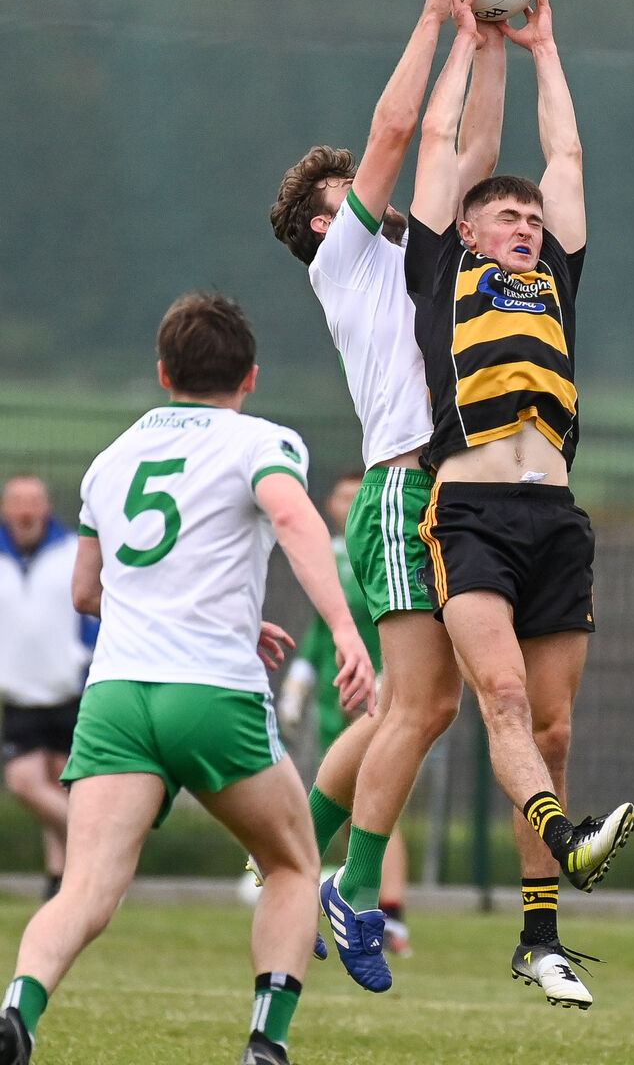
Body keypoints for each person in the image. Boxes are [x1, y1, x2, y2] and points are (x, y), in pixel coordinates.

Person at [0, 292, 376, 1065]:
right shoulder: (260, 440)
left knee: (85, 889)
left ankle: (18, 1013)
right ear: (251, 377)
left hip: (115, 699)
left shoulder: (112, 458)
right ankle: (266, 1044)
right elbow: (296, 519)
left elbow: (85, 593)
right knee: (294, 862)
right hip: (209, 692)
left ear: (163, 371)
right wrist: (343, 629)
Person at [269, 0, 506, 997]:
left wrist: (488, 44)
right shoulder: (343, 258)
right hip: (405, 487)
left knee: (418, 711)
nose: (370, 191)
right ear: (324, 223)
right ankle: (351, 892)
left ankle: (295, 858)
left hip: (446, 491)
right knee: (413, 711)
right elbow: (400, 128)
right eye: (346, 190)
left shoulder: (416, 257)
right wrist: (434, 18)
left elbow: (464, 147)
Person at [404, 0, 634, 1008]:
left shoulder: (557, 280)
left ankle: (539, 938)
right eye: (505, 214)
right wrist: (470, 42)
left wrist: (543, 46)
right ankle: (568, 838)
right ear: (470, 230)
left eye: (529, 217)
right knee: (495, 696)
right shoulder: (443, 272)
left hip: (556, 521)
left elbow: (569, 157)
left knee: (551, 732)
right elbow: (448, 154)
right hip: (470, 515)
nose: (523, 222)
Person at [277, 469, 412, 956]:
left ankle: (388, 915)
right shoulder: (329, 556)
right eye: (342, 495)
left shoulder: (390, 550)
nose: (351, 503)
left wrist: (391, 678)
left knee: (377, 806)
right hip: (341, 693)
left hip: (379, 690)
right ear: (332, 506)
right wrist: (298, 682)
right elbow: (319, 630)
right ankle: (297, 884)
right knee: (357, 803)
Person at [0, 475, 98, 901]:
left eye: (33, 502)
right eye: (17, 502)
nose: (25, 511)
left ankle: (59, 880)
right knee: (24, 782)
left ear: (46, 507)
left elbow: (95, 606)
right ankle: (99, 843)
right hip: (19, 695)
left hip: (70, 688)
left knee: (61, 783)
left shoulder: (73, 549)